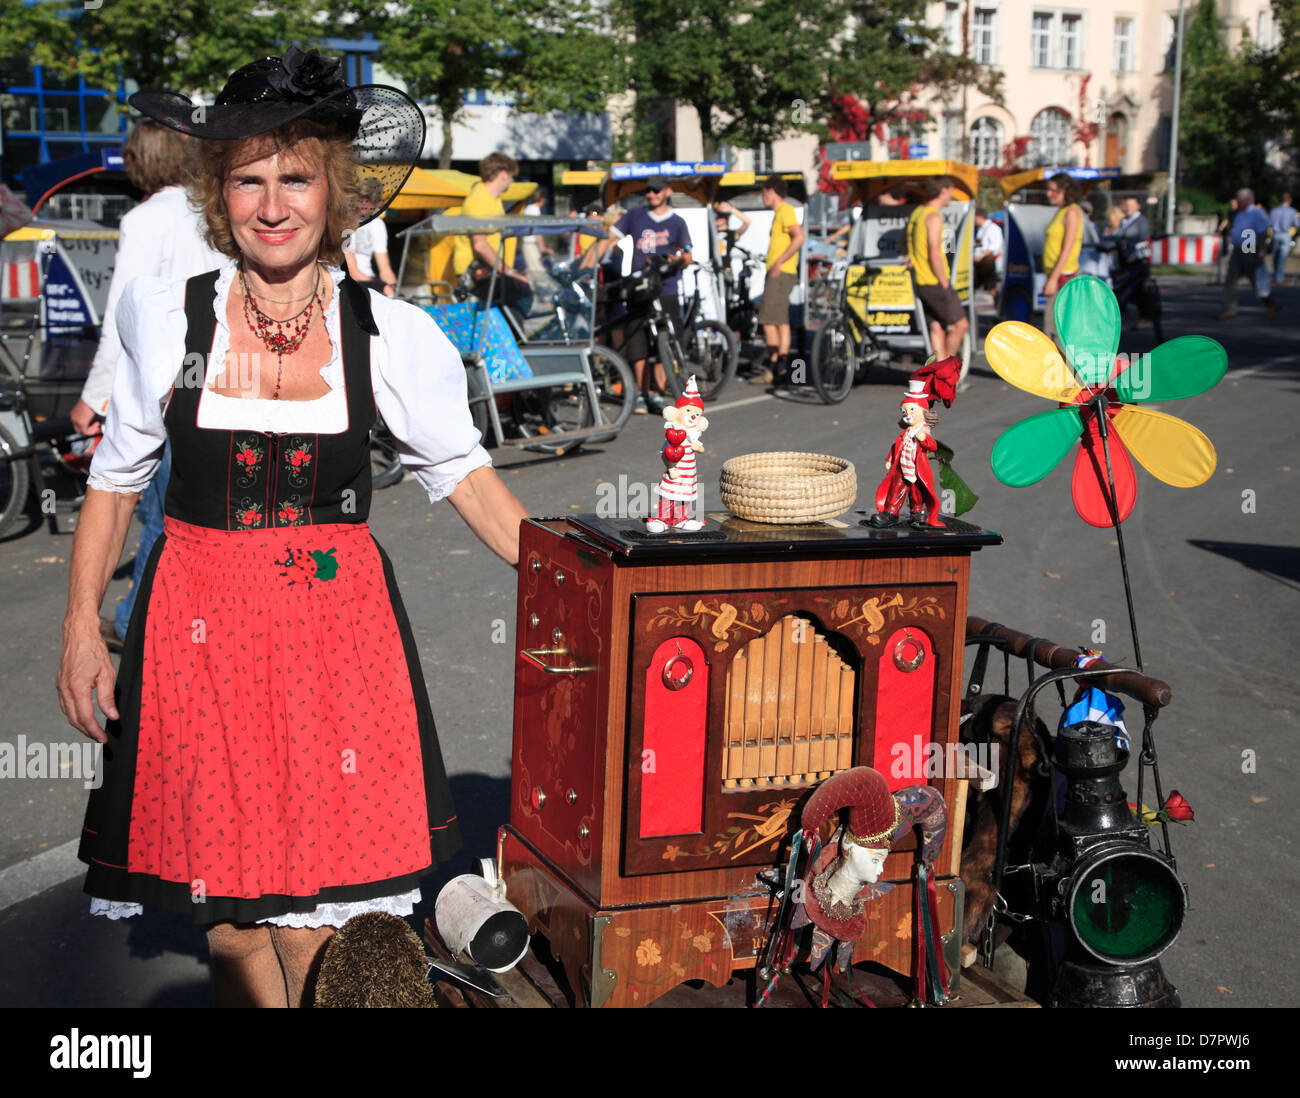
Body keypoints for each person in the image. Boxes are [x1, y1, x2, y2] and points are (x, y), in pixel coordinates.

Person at [56, 48, 530, 1008]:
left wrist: (586, 580)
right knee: (230, 921)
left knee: (325, 922)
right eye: (248, 181)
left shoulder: (389, 335)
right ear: (216, 195)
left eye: (297, 179)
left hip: (333, 642)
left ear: (337, 192)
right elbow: (115, 482)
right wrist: (77, 630)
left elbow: (470, 482)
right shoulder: (171, 316)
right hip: (197, 640)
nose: (273, 206)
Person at [71, 119, 225, 654]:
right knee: (193, 514)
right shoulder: (213, 210)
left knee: (156, 513)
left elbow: (122, 318)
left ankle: (140, 620)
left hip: (161, 388)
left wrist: (93, 397)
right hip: (217, 382)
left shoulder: (145, 220)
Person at [598, 175, 693, 413]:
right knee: (637, 340)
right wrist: (590, 261)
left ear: (667, 192)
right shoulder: (634, 215)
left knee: (666, 340)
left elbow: (688, 256)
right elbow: (610, 239)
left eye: (656, 191)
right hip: (639, 287)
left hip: (666, 287)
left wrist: (676, 261)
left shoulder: (678, 222)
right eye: (648, 191)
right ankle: (641, 392)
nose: (651, 195)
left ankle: (658, 392)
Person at [452, 150, 531, 307]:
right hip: (473, 270)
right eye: (512, 177)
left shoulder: (493, 200)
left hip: (489, 269)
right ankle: (511, 332)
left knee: (520, 293)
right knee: (520, 292)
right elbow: (480, 245)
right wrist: (510, 272)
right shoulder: (479, 199)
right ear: (503, 174)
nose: (511, 181)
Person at [906, 175, 968, 360]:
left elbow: (905, 241)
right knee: (961, 325)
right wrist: (944, 281)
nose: (951, 197)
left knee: (937, 327)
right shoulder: (933, 217)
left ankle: (937, 374)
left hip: (920, 280)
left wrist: (912, 258)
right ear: (943, 191)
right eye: (950, 192)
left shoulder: (918, 213)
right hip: (933, 280)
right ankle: (945, 371)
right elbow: (934, 252)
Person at [756, 175, 805, 383]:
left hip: (781, 272)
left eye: (764, 193)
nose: (762, 198)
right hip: (782, 271)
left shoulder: (785, 211)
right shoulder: (780, 213)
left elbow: (799, 237)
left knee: (768, 320)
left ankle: (774, 365)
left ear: (771, 191)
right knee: (780, 320)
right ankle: (781, 365)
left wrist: (778, 262)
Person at [1218, 187, 1278, 320]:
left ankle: (1271, 304)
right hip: (1238, 249)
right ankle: (1228, 309)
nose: (1237, 202)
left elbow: (1262, 234)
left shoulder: (1257, 213)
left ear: (1247, 200)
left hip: (1250, 248)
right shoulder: (1238, 213)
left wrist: (1261, 254)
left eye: (1239, 199)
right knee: (1231, 279)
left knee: (1256, 280)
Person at [1041, 173, 1083, 342]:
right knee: (1053, 329)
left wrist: (1053, 279)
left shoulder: (1071, 212)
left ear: (1065, 191)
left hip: (1063, 277)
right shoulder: (1062, 211)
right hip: (1058, 276)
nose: (1048, 194)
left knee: (1056, 330)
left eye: (1053, 190)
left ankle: (1064, 368)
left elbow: (1067, 249)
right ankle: (1059, 367)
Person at [342, 176, 397, 296]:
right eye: (361, 199)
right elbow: (351, 270)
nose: (363, 204)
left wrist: (395, 292)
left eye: (368, 200)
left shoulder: (377, 224)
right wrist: (381, 286)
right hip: (346, 281)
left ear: (378, 203)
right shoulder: (344, 221)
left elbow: (385, 268)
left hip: (369, 280)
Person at [1268, 192, 1298, 286]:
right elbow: (1296, 224)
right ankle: (1279, 278)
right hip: (1285, 235)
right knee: (1282, 257)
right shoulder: (1292, 211)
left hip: (1276, 234)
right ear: (1289, 201)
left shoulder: (1274, 211)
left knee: (1275, 257)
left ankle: (1277, 276)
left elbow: (1269, 223)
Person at [972, 208, 1003, 293]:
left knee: (991, 287)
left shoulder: (993, 228)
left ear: (979, 218)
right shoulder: (981, 229)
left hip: (988, 262)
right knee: (973, 285)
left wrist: (981, 256)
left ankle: (997, 304)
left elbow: (995, 246)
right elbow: (979, 245)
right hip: (978, 261)